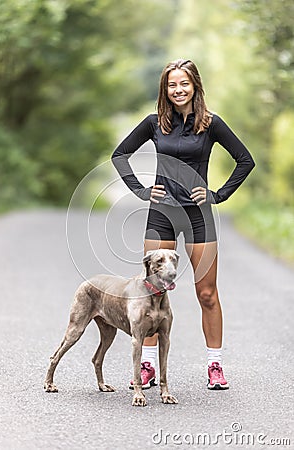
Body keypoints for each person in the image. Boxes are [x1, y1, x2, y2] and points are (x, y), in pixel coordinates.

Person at [111, 58, 255, 390]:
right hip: (161, 213)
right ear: (165, 89)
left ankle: (215, 366)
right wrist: (142, 190)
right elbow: (120, 155)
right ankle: (146, 366)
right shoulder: (153, 123)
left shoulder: (211, 124)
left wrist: (218, 195)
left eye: (184, 84)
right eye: (172, 84)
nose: (178, 90)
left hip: (198, 214)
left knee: (206, 292)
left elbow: (245, 160)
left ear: (195, 86)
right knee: (152, 291)